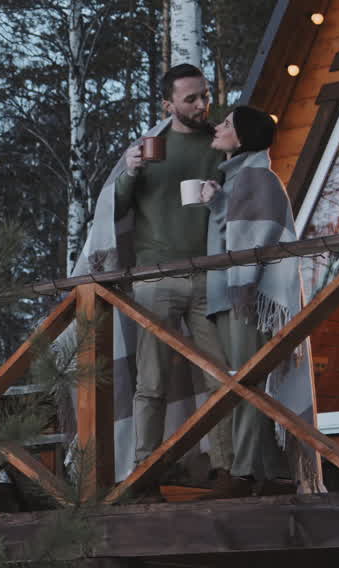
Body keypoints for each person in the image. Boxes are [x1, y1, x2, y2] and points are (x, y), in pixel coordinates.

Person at [71, 63, 233, 498]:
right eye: (191, 99)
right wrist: (128, 171)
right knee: (152, 381)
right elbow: (115, 208)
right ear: (168, 104)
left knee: (223, 376)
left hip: (208, 277)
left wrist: (223, 196)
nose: (202, 105)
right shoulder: (148, 148)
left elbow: (241, 197)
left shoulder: (220, 145)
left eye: (205, 96)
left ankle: (227, 467)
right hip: (154, 279)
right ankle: (146, 469)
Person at [199, 105, 311, 496]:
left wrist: (216, 206)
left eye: (227, 124)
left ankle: (246, 473)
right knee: (243, 382)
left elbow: (257, 242)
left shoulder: (257, 178)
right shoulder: (235, 179)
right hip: (230, 298)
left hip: (246, 299)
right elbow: (236, 236)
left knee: (247, 382)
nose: (219, 127)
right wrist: (217, 203)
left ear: (242, 137)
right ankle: (269, 474)